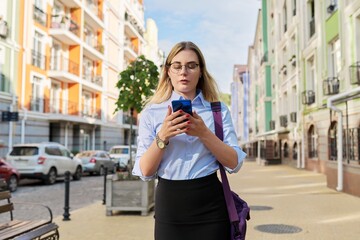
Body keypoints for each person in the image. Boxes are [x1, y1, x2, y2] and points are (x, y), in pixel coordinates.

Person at [132, 41, 247, 240]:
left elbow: (234, 163)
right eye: (177, 66)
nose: (183, 71)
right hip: (170, 208)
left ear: (201, 71)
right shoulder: (151, 112)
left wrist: (204, 133)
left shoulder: (217, 110)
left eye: (191, 65)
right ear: (168, 71)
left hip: (211, 208)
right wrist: (163, 136)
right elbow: (145, 171)